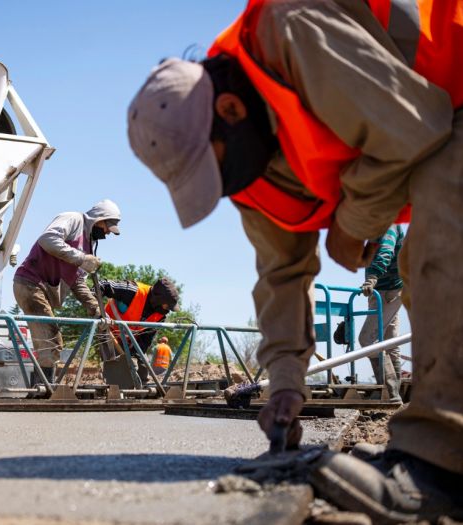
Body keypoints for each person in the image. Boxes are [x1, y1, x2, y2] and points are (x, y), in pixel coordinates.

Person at [127, 1, 462, 521]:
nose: (226, 192)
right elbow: (281, 274)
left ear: (232, 111)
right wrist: (285, 383)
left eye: (217, 171)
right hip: (442, 117)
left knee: (436, 247)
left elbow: (419, 125)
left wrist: (350, 227)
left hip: (453, 85)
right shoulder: (249, 159)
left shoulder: (291, 28)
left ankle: (443, 466)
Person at [13, 200, 121, 378]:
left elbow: (78, 282)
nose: (108, 232)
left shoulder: (88, 245)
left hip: (43, 289)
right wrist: (80, 258)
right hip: (30, 283)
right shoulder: (73, 220)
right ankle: (43, 391)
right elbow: (47, 239)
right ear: (98, 218)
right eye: (107, 226)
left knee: (50, 341)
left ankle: (44, 389)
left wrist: (96, 309)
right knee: (50, 340)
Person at [99, 277, 179, 382]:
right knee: (115, 371)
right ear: (158, 299)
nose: (168, 310)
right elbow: (102, 284)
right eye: (167, 306)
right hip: (109, 333)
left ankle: (141, 394)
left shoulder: (160, 316)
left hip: (132, 341)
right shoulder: (133, 291)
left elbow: (146, 340)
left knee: (142, 372)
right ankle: (115, 392)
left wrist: (132, 355)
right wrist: (94, 307)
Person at [357, 224, 404, 402]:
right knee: (391, 345)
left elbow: (386, 250)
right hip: (387, 291)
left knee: (367, 339)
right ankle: (394, 395)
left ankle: (390, 392)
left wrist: (372, 277)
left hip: (386, 292)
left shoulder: (387, 224)